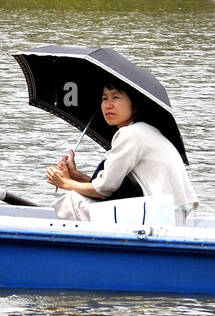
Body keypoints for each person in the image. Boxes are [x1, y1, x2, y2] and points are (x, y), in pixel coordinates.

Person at [46, 83, 198, 223]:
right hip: (169, 215)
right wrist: (76, 175)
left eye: (116, 97)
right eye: (104, 98)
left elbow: (104, 191)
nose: (108, 105)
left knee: (72, 200)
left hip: (158, 218)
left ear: (135, 105)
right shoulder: (145, 131)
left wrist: (66, 183)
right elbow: (112, 186)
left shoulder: (130, 134)